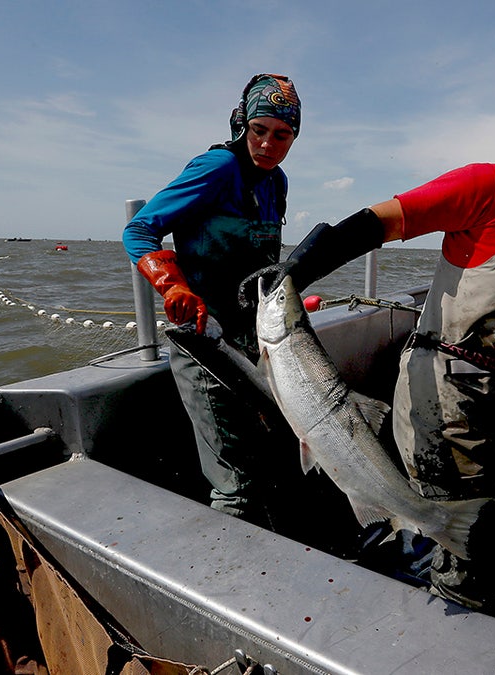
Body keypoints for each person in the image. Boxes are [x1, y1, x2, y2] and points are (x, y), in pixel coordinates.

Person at [243, 96, 495, 612]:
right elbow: (380, 222)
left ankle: (460, 604)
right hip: (443, 406)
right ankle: (445, 630)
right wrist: (295, 270)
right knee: (475, 551)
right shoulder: (494, 187)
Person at [122, 73, 301, 528]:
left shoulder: (276, 182)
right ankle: (233, 579)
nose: (268, 144)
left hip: (253, 339)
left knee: (272, 453)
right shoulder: (217, 169)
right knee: (234, 484)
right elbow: (139, 229)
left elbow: (262, 260)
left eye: (282, 135)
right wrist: (172, 285)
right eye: (259, 130)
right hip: (205, 343)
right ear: (243, 124)